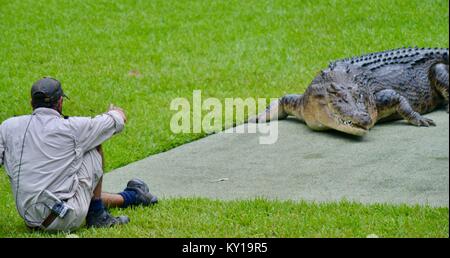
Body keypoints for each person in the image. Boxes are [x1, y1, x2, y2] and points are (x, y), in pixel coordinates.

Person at [0, 77, 158, 231]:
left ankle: (131, 196)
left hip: (30, 219)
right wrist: (115, 111)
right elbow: (118, 120)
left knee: (66, 186)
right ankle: (98, 216)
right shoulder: (73, 128)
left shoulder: (8, 126)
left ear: (31, 103)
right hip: (64, 218)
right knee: (92, 146)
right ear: (60, 102)